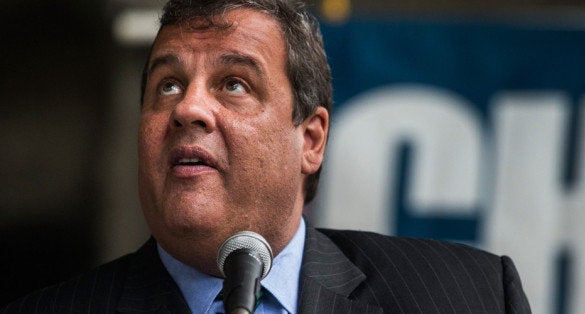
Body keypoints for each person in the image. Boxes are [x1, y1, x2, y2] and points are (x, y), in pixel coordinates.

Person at [2, 0, 531, 313]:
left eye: (233, 84)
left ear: (311, 139)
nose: (188, 108)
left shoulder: (469, 296)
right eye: (166, 86)